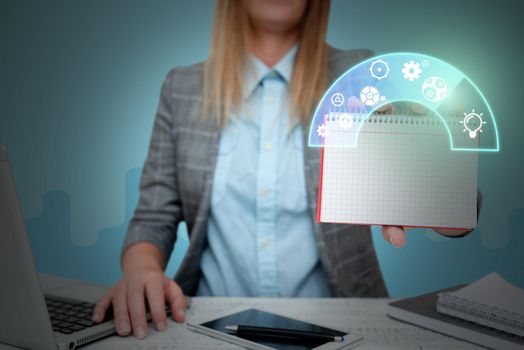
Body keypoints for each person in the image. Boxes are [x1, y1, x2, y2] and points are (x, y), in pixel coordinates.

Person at [92, 0, 474, 340]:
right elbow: (153, 217)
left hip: (342, 327)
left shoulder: (358, 76)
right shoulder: (182, 87)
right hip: (207, 327)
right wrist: (142, 270)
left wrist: (440, 195)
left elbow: (443, 193)